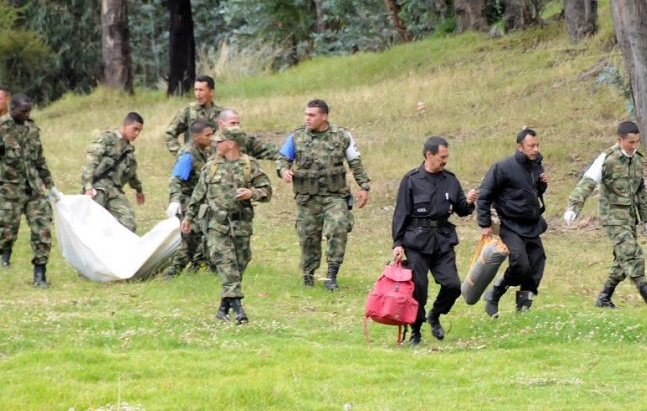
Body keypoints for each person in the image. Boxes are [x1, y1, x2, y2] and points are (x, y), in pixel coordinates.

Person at [392, 136, 479, 345]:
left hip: (442, 240)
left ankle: (436, 314)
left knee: (453, 285)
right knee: (419, 289)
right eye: (442, 157)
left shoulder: (450, 179)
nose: (445, 160)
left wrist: (468, 202)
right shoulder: (411, 180)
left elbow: (461, 209)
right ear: (429, 155)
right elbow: (401, 213)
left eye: (446, 156)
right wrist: (397, 243)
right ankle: (416, 331)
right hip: (417, 241)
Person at [276, 99, 370, 291]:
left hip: (334, 196)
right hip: (307, 199)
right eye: (306, 114)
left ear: (324, 117)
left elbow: (355, 162)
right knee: (308, 237)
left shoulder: (342, 136)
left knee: (338, 227)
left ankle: (332, 275)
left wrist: (364, 186)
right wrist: (283, 170)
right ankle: (308, 275)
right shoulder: (297, 137)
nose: (307, 118)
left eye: (312, 115)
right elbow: (282, 158)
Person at [564, 121, 647, 308]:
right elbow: (587, 183)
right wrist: (573, 207)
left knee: (622, 260)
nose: (634, 146)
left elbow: (641, 192)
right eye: (630, 142)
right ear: (619, 140)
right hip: (612, 217)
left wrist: (646, 219)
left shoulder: (638, 160)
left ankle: (604, 297)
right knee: (631, 253)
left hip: (629, 218)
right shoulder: (607, 159)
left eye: (637, 142)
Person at [181, 127, 272, 323]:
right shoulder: (211, 166)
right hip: (216, 225)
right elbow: (198, 195)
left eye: (220, 141)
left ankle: (223, 308)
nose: (215, 144)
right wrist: (188, 218)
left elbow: (267, 190)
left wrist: (251, 194)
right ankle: (239, 310)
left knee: (239, 264)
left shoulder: (249, 165)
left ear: (231, 143)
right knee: (226, 263)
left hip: (241, 224)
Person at [476, 128, 548, 317]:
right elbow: (484, 196)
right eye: (531, 146)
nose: (535, 149)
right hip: (510, 224)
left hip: (532, 224)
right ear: (519, 147)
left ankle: (523, 308)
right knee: (520, 265)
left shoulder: (535, 164)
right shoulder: (503, 167)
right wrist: (484, 224)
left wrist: (542, 185)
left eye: (537, 145)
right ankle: (494, 294)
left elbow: (531, 192)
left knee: (536, 265)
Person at [0, 94, 55, 286]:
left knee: (42, 230)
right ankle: (4, 257)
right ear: (12, 109)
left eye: (29, 110)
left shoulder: (32, 128)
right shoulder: (2, 128)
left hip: (33, 189)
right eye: (23, 111)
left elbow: (39, 159)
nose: (27, 114)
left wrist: (50, 185)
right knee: (5, 234)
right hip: (9, 190)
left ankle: (40, 276)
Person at [164, 119, 215, 278]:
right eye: (208, 135)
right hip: (188, 202)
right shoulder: (188, 154)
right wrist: (175, 200)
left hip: (201, 201)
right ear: (196, 137)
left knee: (206, 234)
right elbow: (176, 179)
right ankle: (173, 272)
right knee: (191, 238)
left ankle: (199, 265)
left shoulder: (206, 151)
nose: (211, 138)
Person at [81, 112, 145, 232]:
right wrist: (88, 187)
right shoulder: (107, 139)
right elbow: (91, 162)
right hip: (97, 188)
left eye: (139, 131)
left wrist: (139, 190)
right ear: (126, 124)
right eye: (135, 129)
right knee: (94, 226)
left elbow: (131, 173)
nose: (136, 133)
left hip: (115, 191)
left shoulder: (129, 151)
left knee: (129, 224)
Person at [164, 75, 223, 154]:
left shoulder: (221, 113)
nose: (198, 94)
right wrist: (180, 153)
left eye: (201, 90)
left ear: (211, 92)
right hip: (194, 161)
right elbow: (170, 133)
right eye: (196, 90)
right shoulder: (188, 111)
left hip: (215, 161)